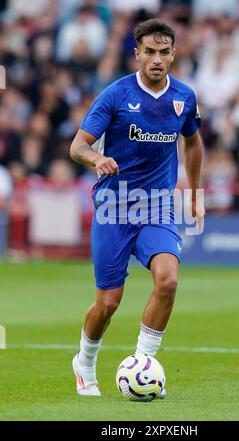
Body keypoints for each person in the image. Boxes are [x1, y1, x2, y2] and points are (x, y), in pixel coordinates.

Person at [69, 18, 204, 398]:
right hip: (113, 206)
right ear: (137, 54)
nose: (157, 59)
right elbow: (77, 146)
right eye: (150, 52)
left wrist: (194, 193)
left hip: (158, 206)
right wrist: (96, 159)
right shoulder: (115, 94)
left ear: (174, 54)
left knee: (169, 279)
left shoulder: (185, 97)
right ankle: (85, 361)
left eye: (164, 52)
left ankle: (144, 364)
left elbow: (193, 142)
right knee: (108, 302)